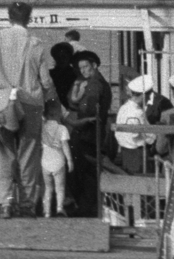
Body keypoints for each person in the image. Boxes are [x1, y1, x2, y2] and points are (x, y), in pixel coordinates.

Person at [0, 1, 54, 218]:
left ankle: (6, 203)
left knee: (1, 153)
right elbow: (45, 81)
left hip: (2, 101)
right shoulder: (36, 43)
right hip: (31, 103)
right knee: (29, 154)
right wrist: (46, 96)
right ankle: (27, 204)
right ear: (29, 18)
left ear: (9, 17)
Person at [65, 50, 111, 218]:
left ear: (95, 65)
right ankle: (88, 207)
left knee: (82, 172)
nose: (83, 71)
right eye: (81, 68)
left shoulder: (94, 85)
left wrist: (77, 113)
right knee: (87, 172)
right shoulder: (92, 83)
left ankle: (85, 208)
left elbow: (88, 108)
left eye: (86, 67)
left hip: (87, 133)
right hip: (91, 133)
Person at [114, 75, 157, 175]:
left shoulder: (124, 108)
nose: (148, 100)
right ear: (142, 95)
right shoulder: (136, 113)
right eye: (148, 96)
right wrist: (154, 137)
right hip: (137, 155)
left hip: (126, 153)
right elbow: (140, 135)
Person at [40, 98, 73, 218]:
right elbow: (65, 146)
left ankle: (47, 212)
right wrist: (69, 161)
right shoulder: (62, 129)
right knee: (60, 187)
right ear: (58, 114)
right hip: (58, 161)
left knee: (48, 188)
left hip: (45, 161)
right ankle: (59, 208)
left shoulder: (42, 128)